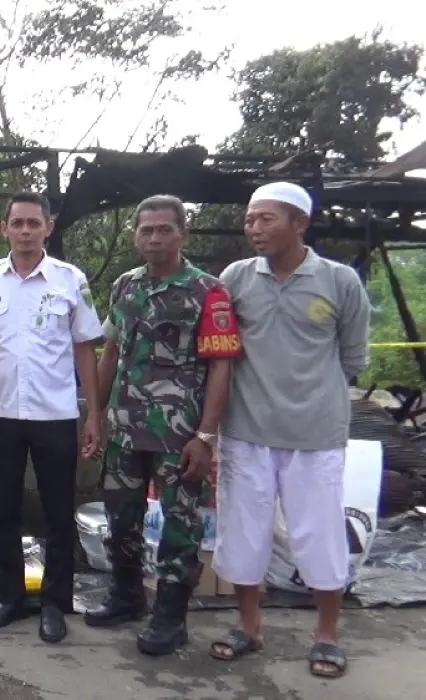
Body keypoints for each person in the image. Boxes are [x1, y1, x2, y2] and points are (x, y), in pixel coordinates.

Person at [208, 182, 371, 679]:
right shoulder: (236, 278)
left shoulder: (339, 282)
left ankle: (326, 636)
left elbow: (352, 359)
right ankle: (249, 627)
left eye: (266, 219)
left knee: (319, 535)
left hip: (314, 435)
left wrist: (312, 401)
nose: (253, 228)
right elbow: (219, 347)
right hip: (246, 430)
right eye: (250, 219)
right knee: (244, 535)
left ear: (299, 223)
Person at [85, 194, 241, 656]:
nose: (154, 238)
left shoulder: (209, 291)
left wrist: (207, 436)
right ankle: (127, 595)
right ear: (135, 234)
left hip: (181, 435)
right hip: (126, 428)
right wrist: (95, 413)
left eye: (164, 229)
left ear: (182, 234)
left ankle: (171, 617)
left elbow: (221, 366)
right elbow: (110, 351)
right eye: (146, 230)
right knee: (122, 517)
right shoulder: (124, 287)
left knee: (179, 526)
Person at [0, 191, 104, 644]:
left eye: (32, 223)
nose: (24, 231)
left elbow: (85, 349)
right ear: (4, 228)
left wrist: (94, 412)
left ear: (47, 228)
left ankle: (55, 605)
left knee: (59, 514)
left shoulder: (69, 280)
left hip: (55, 415)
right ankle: (9, 598)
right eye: (16, 223)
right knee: (4, 512)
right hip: (0, 415)